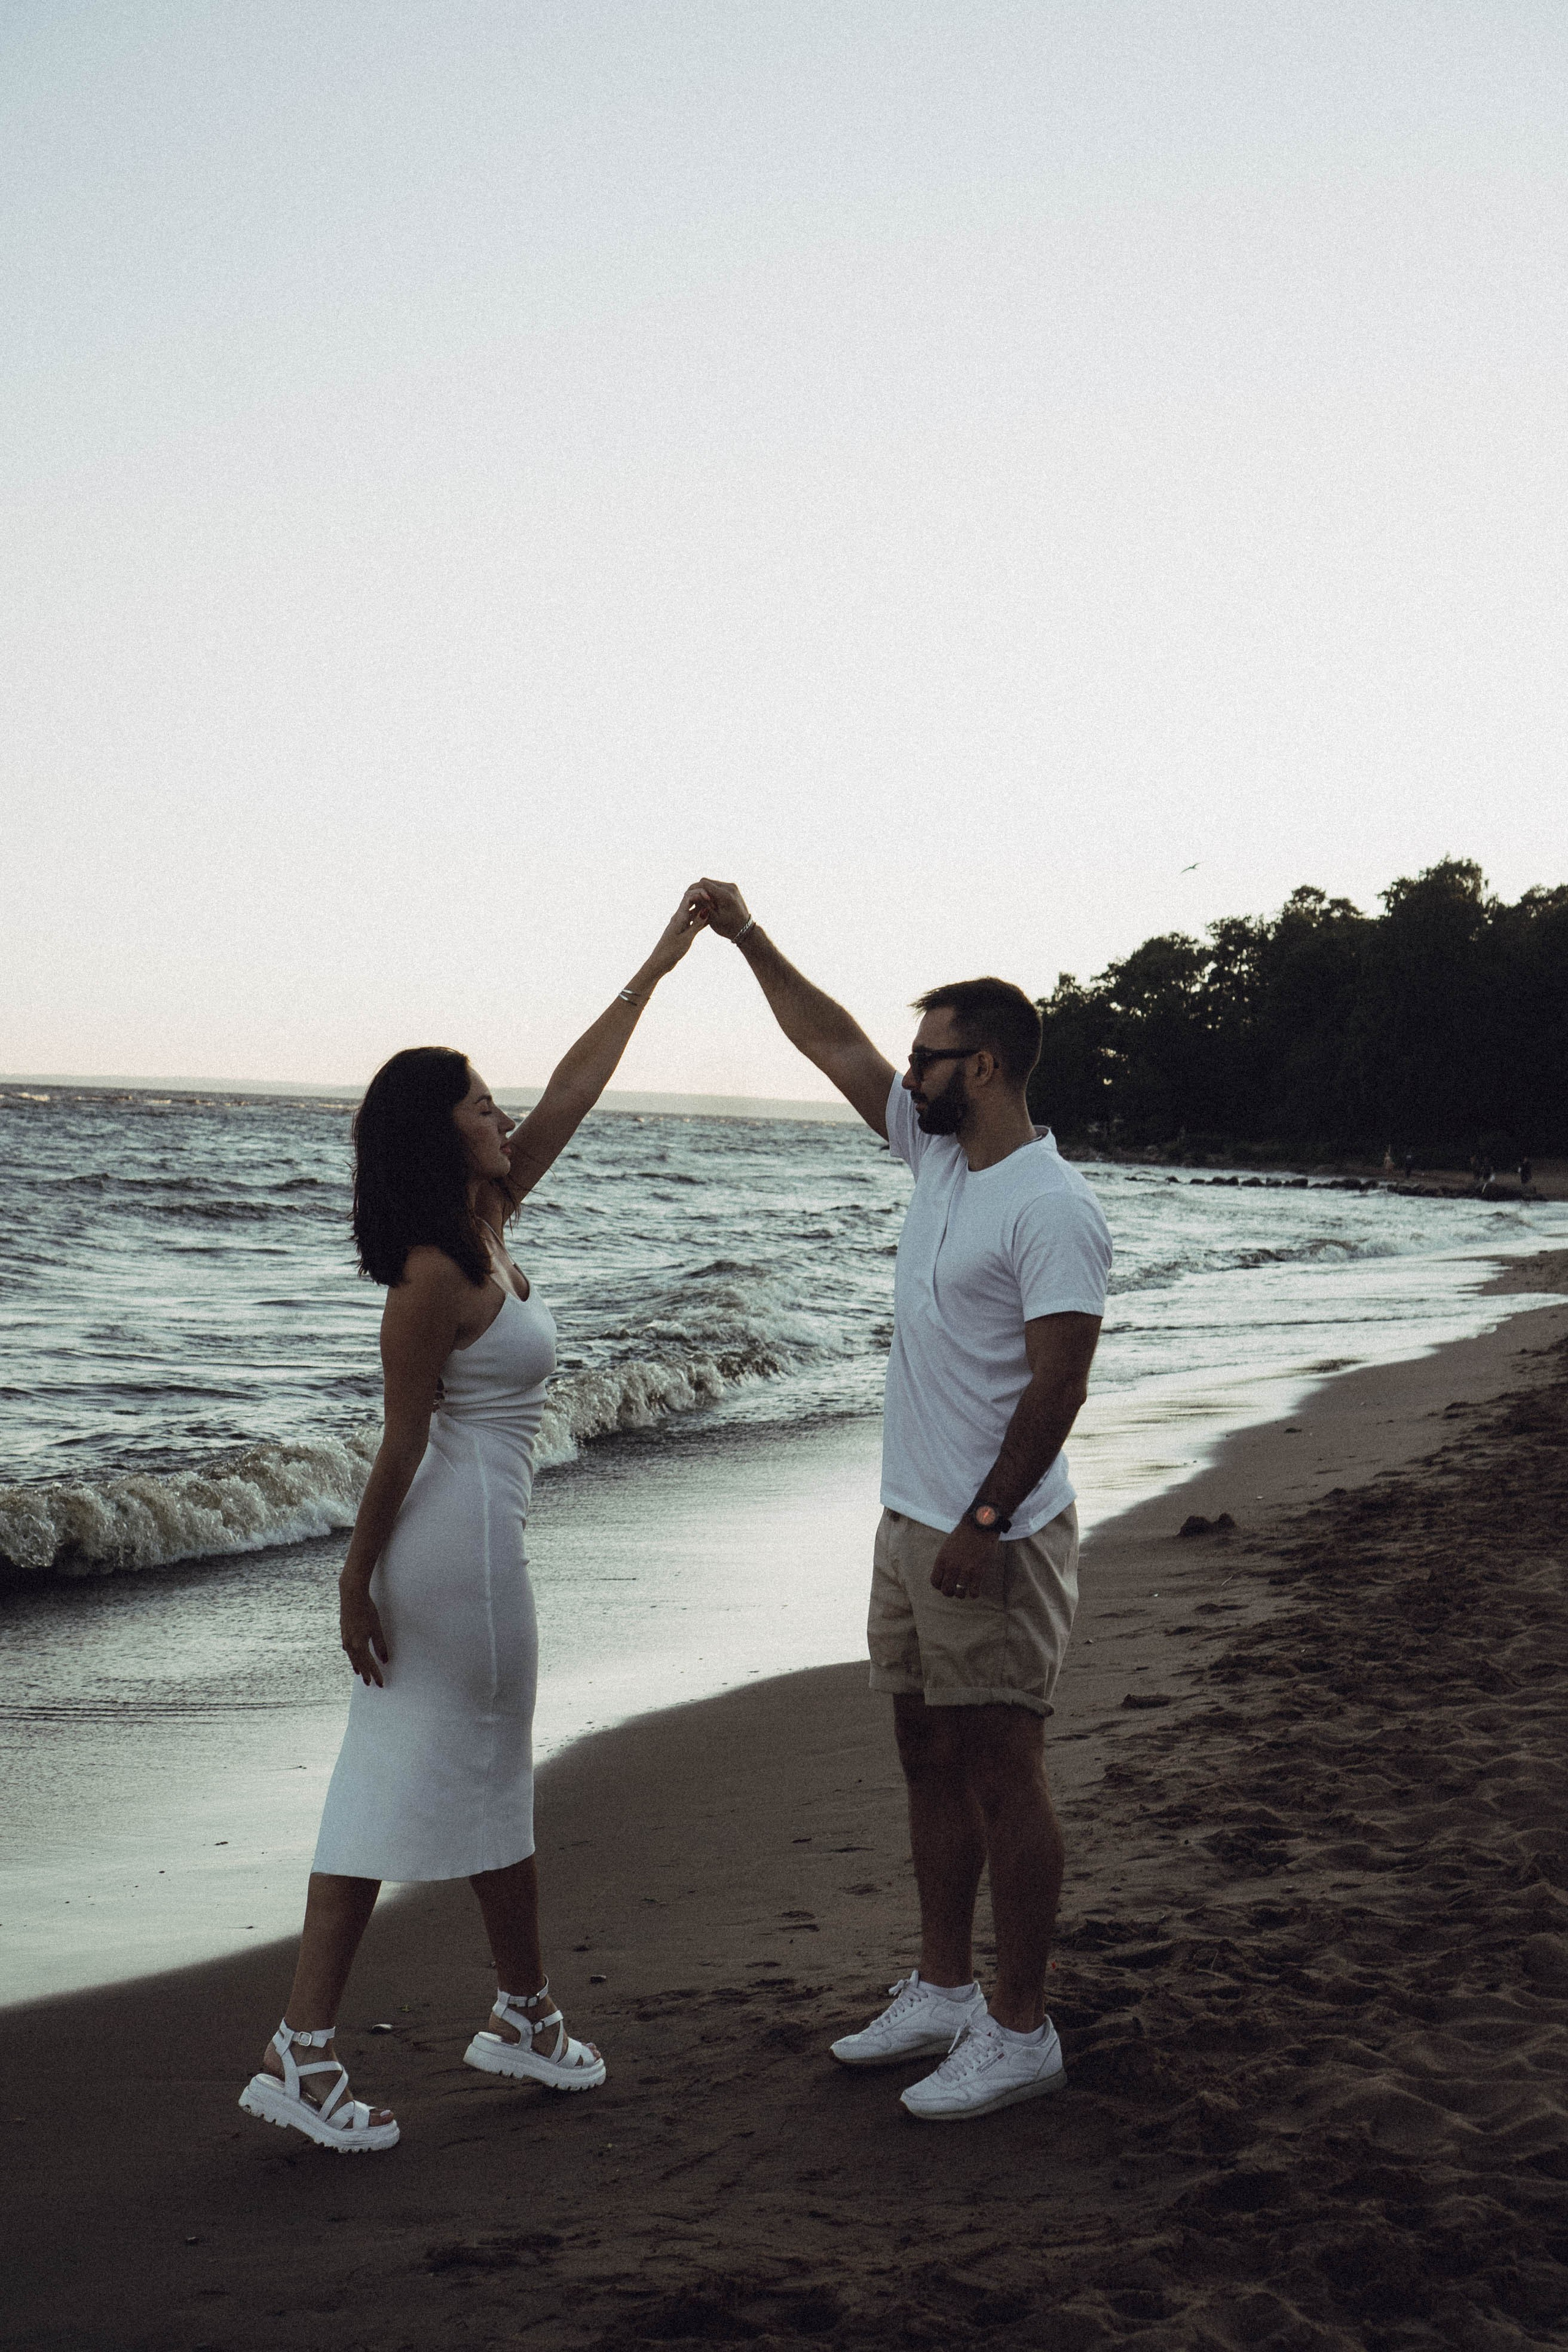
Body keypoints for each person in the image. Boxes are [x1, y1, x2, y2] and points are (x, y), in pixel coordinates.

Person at [239, 890, 708, 2152]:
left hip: (468, 1542)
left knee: (438, 1779)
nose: (503, 1117)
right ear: (436, 1132)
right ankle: (429, 2031)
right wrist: (353, 1584)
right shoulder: (433, 1273)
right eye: (481, 1105)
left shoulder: (486, 1221)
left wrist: (659, 962)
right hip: (457, 1552)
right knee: (464, 1777)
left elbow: (574, 1092)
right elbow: (400, 1442)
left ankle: (465, 2021)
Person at [692, 880, 1112, 2122]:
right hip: (909, 1519)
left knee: (1003, 1768)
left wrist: (984, 1522)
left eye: (927, 1056)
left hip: (995, 1531)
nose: (905, 1072)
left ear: (980, 1067)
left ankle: (1020, 2027)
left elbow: (1060, 1383)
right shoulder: (936, 1156)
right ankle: (940, 1990)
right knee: (926, 1756)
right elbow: (828, 1040)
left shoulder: (1051, 1205)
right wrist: (748, 937)